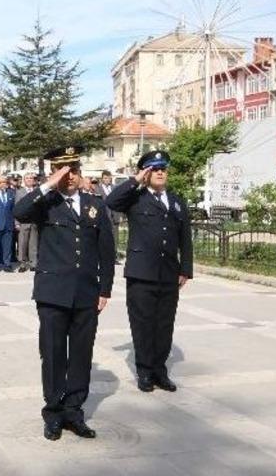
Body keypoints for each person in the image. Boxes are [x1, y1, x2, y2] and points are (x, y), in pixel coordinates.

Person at [14, 146, 115, 441]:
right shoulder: (45, 203)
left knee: (82, 354)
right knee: (54, 353)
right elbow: (20, 212)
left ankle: (74, 412)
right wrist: (47, 184)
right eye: (63, 170)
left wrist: (105, 288)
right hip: (52, 293)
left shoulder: (95, 204)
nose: (69, 176)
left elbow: (106, 251)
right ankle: (54, 413)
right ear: (54, 172)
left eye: (73, 169)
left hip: (86, 292)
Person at [105, 150, 192, 393]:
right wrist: (134, 180)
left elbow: (185, 237)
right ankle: (144, 371)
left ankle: (159, 370)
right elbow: (110, 202)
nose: (161, 172)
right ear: (146, 172)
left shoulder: (176, 200)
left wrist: (185, 268)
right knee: (142, 323)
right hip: (141, 273)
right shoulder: (136, 198)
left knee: (165, 324)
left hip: (168, 273)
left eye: (163, 168)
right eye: (154, 169)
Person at [95, 170, 122, 263]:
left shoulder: (115, 188)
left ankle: (114, 257)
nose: (107, 180)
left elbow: (119, 201)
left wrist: (119, 215)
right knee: (103, 238)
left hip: (114, 217)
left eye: (109, 178)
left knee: (115, 238)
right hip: (103, 217)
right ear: (102, 179)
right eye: (105, 178)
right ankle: (102, 257)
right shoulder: (97, 189)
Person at [15, 172, 39, 272]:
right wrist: (16, 222)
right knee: (22, 243)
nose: (29, 180)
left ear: (33, 180)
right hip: (23, 221)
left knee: (33, 243)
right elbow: (16, 207)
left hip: (34, 221)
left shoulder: (37, 191)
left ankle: (33, 263)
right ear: (24, 181)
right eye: (27, 178)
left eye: (31, 178)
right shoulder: (20, 192)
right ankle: (23, 264)